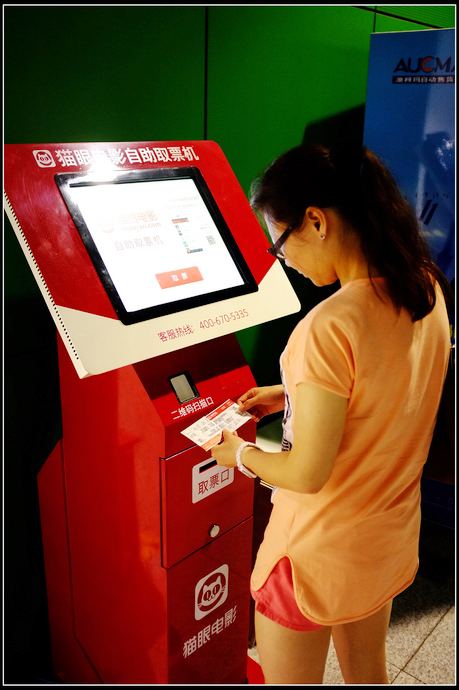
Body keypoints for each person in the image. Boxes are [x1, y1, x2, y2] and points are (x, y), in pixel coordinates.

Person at [211, 142, 451, 684]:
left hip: (312, 557)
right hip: (383, 540)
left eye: (280, 243)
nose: (285, 260)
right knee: (368, 676)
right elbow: (388, 388)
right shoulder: (425, 288)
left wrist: (239, 454)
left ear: (316, 222)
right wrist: (292, 393)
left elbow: (305, 473)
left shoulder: (327, 326)